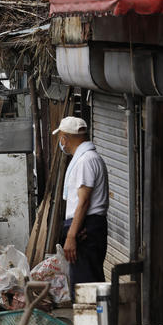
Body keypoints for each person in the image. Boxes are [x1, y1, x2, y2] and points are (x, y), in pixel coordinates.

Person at [54, 116, 109, 298]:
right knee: (86, 283)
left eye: (60, 137)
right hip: (86, 225)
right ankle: (95, 322)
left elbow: (83, 201)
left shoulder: (86, 161)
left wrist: (71, 236)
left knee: (86, 286)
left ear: (65, 138)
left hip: (86, 226)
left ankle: (93, 323)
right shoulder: (88, 158)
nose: (60, 142)